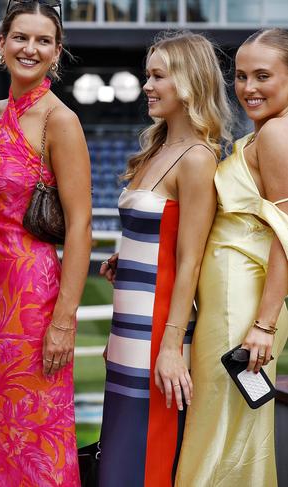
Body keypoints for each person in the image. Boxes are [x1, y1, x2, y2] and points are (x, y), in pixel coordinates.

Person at [0, 1, 92, 484]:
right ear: (1, 43)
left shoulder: (61, 122)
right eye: (21, 37)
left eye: (43, 40)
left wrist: (64, 321)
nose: (30, 48)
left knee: (32, 429)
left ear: (57, 52)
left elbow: (80, 227)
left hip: (32, 298)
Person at [97, 32, 231, 486]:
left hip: (159, 333)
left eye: (158, 76)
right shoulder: (155, 150)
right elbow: (159, 238)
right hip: (127, 327)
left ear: (190, 82)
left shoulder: (197, 158)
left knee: (146, 461)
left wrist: (172, 349)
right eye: (147, 74)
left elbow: (191, 259)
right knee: (118, 456)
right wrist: (126, 261)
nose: (147, 85)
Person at [176, 28, 288, 487]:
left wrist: (263, 324)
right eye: (241, 76)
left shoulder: (278, 134)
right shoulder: (265, 134)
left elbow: (287, 236)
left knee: (218, 430)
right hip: (232, 302)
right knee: (229, 431)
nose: (248, 87)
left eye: (263, 75)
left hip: (239, 309)